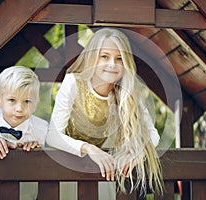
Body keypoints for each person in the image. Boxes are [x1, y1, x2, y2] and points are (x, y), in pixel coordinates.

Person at [46, 28, 163, 196]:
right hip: (65, 168)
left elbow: (153, 135)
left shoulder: (127, 93)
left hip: (100, 172)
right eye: (104, 56)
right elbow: (53, 135)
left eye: (119, 58)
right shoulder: (73, 82)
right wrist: (90, 149)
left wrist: (136, 154)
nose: (112, 64)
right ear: (92, 58)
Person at [0, 66, 48, 200]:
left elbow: (55, 157)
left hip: (27, 196)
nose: (19, 108)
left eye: (27, 101)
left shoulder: (42, 129)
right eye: (12, 100)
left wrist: (39, 152)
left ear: (35, 104)